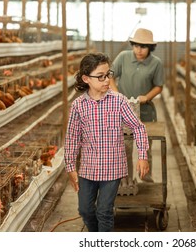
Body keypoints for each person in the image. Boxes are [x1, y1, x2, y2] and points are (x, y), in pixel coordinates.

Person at [64, 52, 149, 232]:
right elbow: (72, 138)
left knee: (104, 211)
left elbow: (138, 127)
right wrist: (70, 166)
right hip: (88, 168)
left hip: (113, 167)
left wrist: (143, 156)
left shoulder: (119, 101)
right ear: (86, 78)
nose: (107, 80)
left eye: (108, 74)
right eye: (100, 77)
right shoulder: (78, 106)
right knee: (86, 210)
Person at [110, 28, 164, 186]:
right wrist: (118, 95)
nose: (139, 50)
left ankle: (146, 179)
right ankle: (125, 181)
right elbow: (111, 77)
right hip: (123, 111)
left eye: (144, 47)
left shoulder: (156, 63)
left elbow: (159, 86)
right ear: (132, 45)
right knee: (125, 147)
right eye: (136, 46)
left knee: (145, 147)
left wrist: (146, 97)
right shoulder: (123, 57)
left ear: (150, 48)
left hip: (145, 111)